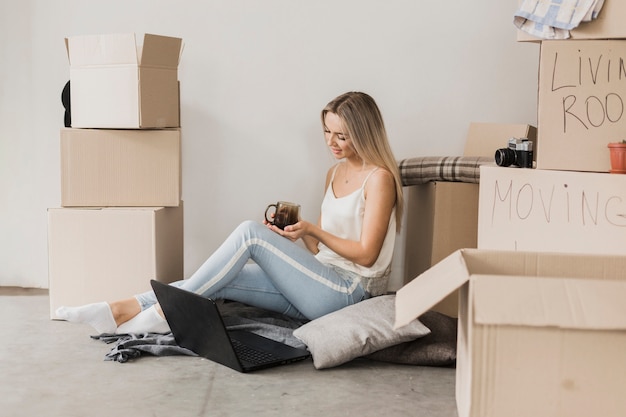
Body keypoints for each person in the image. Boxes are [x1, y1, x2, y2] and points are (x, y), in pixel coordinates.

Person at [56, 91, 404, 335]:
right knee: (221, 274)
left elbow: (366, 254)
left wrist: (313, 229)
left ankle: (165, 313)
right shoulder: (334, 173)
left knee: (249, 233)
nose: (331, 142)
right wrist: (297, 236)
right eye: (327, 132)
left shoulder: (380, 179)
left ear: (362, 132)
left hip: (348, 293)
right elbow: (322, 252)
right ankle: (118, 310)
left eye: (341, 135)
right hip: (317, 287)